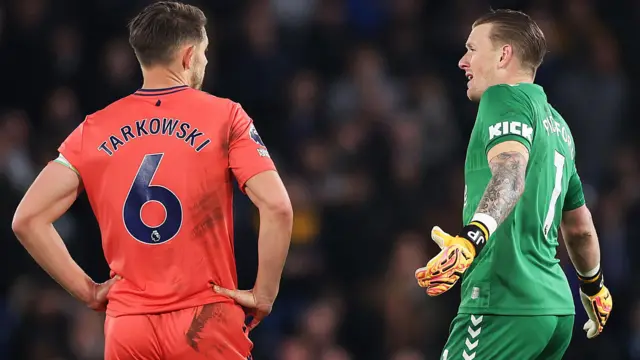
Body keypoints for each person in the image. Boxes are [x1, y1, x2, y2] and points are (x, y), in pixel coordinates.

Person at [11, 2, 293, 359]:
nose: (206, 62)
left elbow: (27, 219)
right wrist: (263, 293)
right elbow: (278, 206)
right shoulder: (226, 117)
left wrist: (88, 291)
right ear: (189, 56)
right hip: (205, 321)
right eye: (204, 53)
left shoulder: (93, 129)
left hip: (129, 326)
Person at [413, 9, 612, 360]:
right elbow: (579, 228)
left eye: (473, 49)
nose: (462, 61)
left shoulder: (502, 97)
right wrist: (594, 287)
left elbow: (510, 175)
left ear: (504, 55)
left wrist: (470, 240)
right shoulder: (559, 127)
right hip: (556, 311)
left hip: (503, 305)